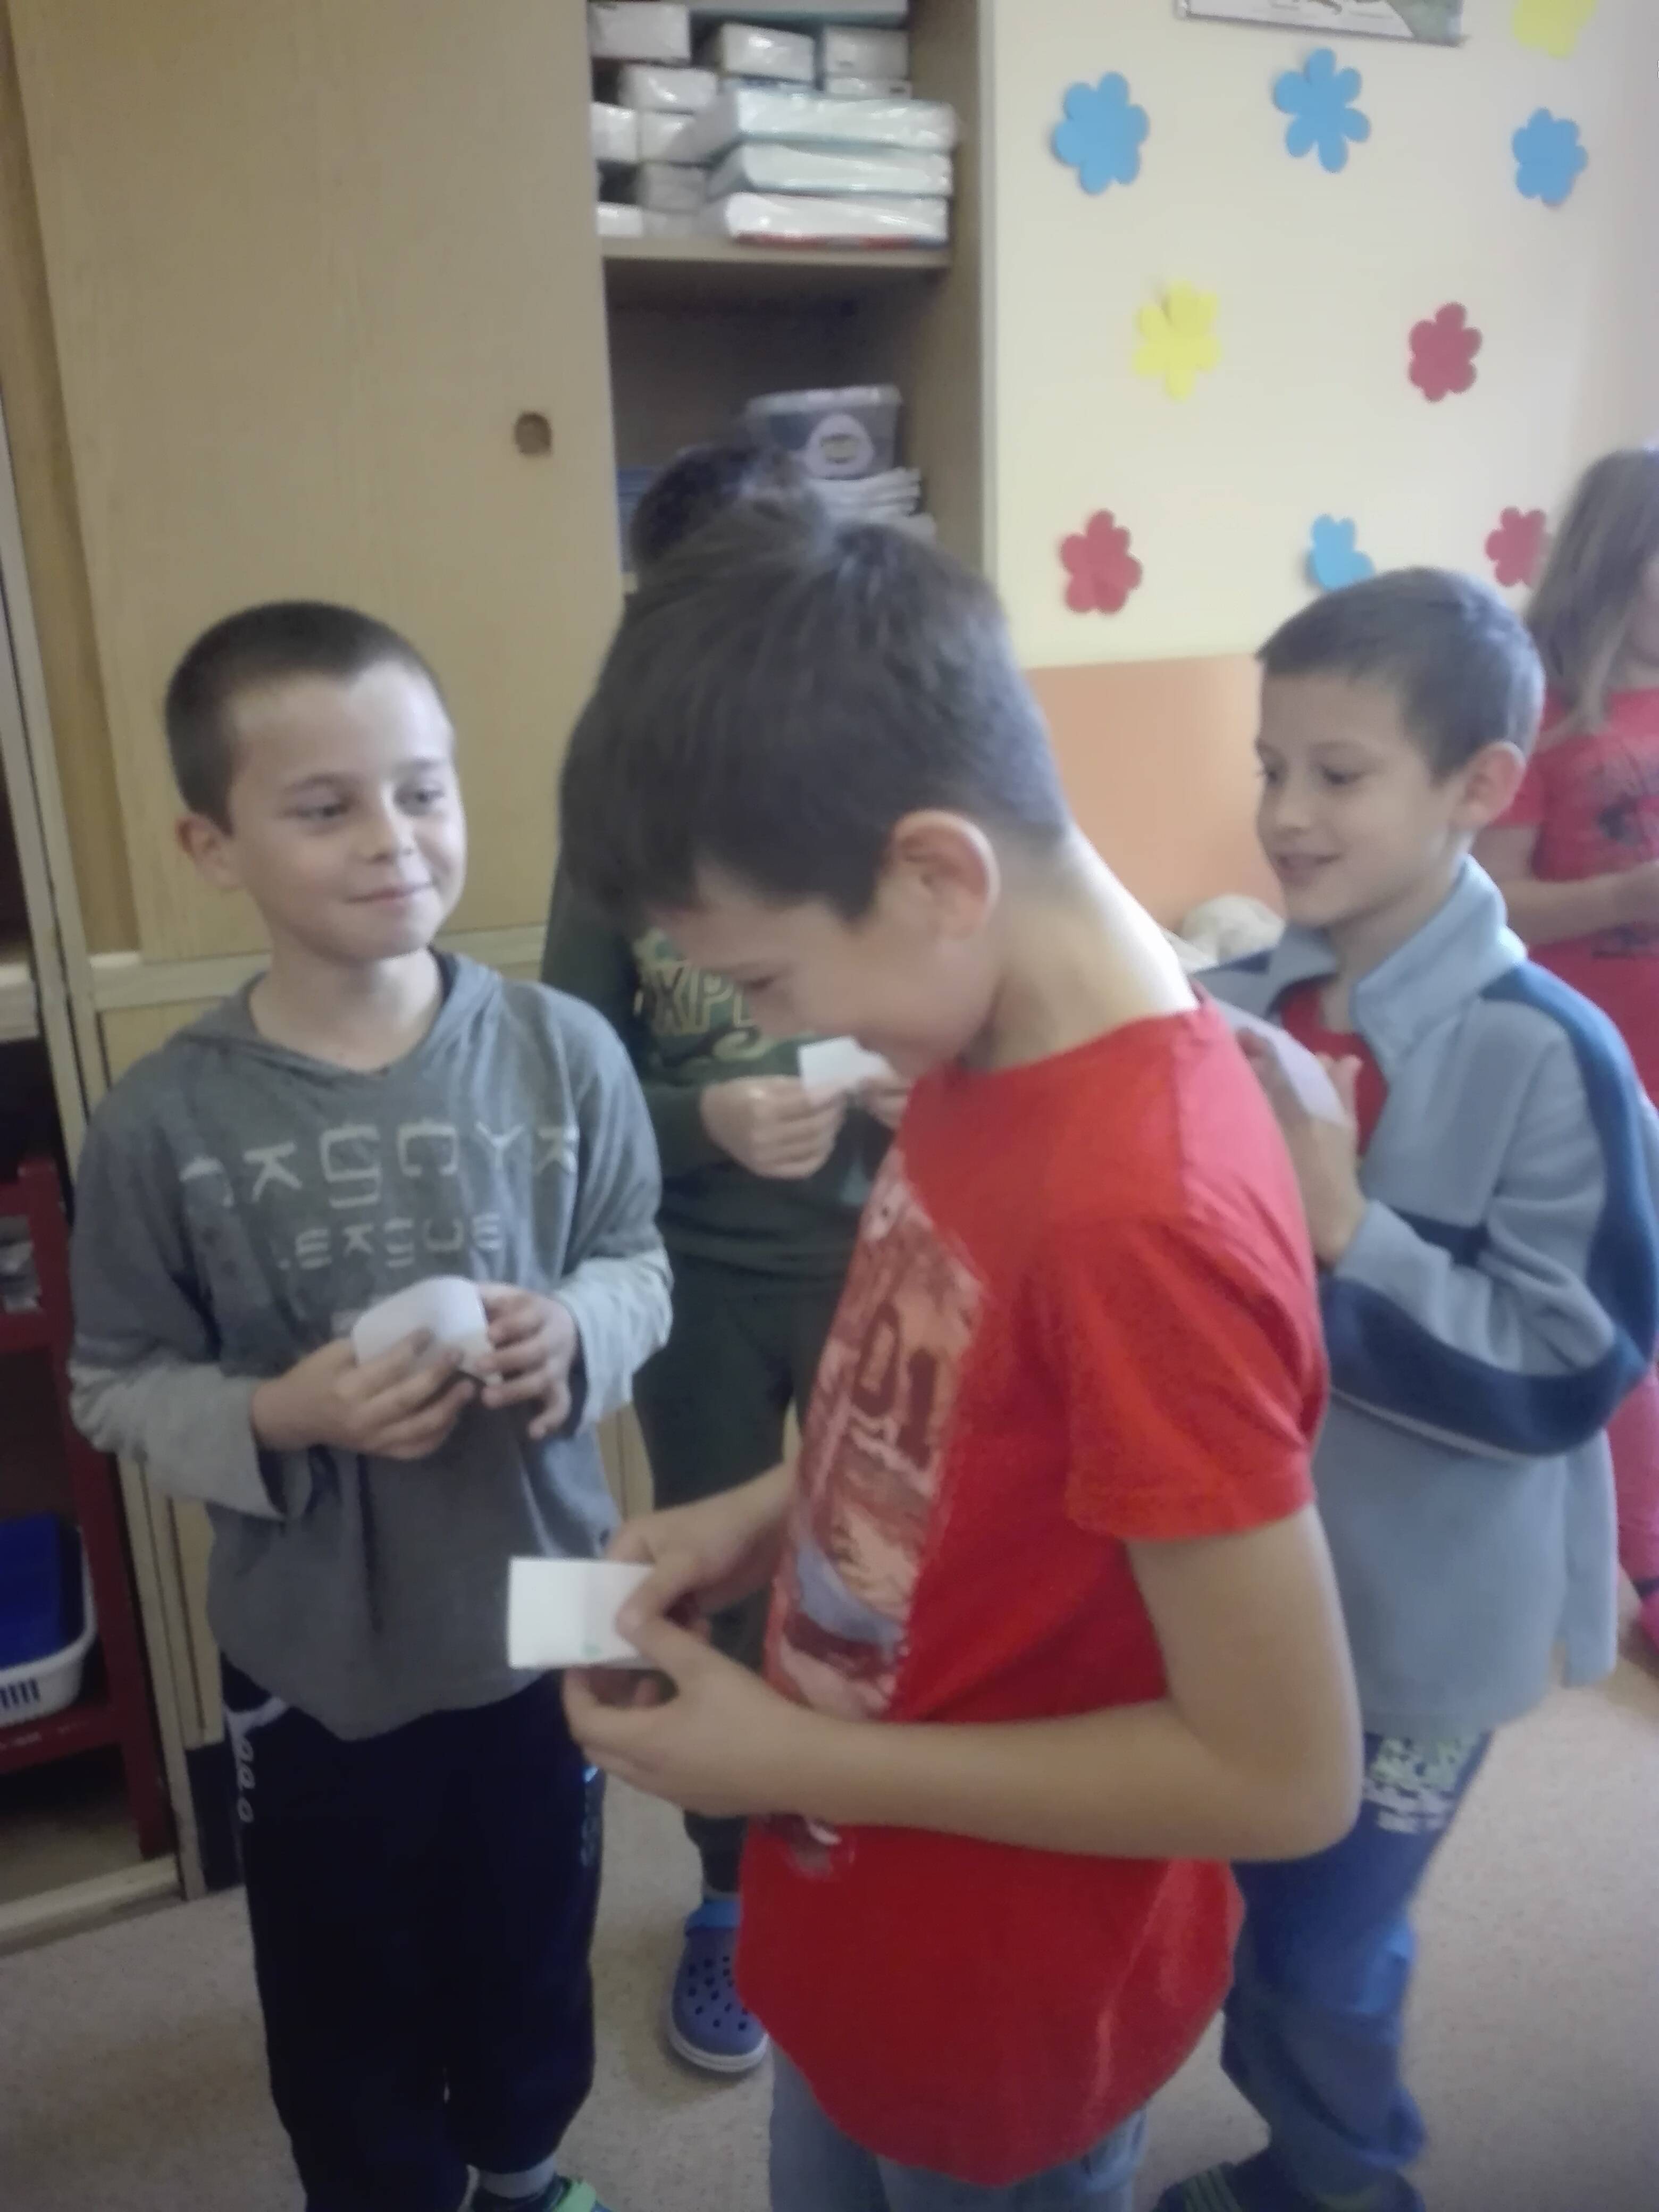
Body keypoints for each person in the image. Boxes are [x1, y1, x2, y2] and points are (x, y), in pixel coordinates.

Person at [556, 498, 1363, 2212]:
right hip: (855, 1918)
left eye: (766, 979)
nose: (767, 1029)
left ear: (936, 876)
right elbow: (948, 1410)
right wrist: (764, 1513)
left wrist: (793, 1762)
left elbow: (1285, 1774)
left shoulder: (1144, 1215)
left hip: (1007, 2004)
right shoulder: (977, 1040)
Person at [68, 602, 671, 2212]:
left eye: (423, 790)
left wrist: (579, 1330)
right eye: (325, 806)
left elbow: (638, 1260)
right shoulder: (163, 1122)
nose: (393, 839)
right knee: (342, 1968)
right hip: (317, 1648)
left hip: (550, 1594)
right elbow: (114, 1379)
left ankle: (523, 2166)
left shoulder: (564, 1050)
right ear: (214, 844)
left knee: (537, 1920)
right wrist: (283, 1414)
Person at [1162, 569, 1659, 2212]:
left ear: (1479, 785)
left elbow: (1570, 1366)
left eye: (1339, 773)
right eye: (1270, 767)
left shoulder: (1554, 1054)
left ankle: (1342, 2185)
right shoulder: (1235, 1008)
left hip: (1421, 1631)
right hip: (1241, 1580)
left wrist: (1350, 1229)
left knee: (1323, 1949)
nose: (1285, 814)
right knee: (1240, 1905)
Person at [543, 440, 899, 2074]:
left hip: (880, 1263)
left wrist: (909, 1093)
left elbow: (982, 1021)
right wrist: (707, 1118)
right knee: (714, 1578)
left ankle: (878, 1835)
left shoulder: (890, 792)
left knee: (886, 1570)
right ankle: (724, 1893)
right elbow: (577, 1076)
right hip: (689, 1278)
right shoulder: (619, 820)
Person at [1477, 447, 1659, 1653]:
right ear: (1621, 558)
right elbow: (1493, 904)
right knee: (1622, 1306)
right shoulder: (1536, 705)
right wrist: (1630, 895)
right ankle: (1645, 1564)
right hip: (1593, 1055)